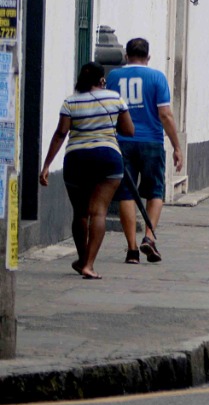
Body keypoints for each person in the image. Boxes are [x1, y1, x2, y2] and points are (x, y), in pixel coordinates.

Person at [39, 62, 135, 279]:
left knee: (80, 213)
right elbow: (129, 130)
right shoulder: (115, 98)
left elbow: (60, 134)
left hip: (77, 159)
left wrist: (46, 165)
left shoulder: (70, 102)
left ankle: (82, 258)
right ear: (102, 80)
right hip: (108, 158)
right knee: (98, 211)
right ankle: (89, 265)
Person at [107, 38, 185, 264]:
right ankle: (149, 238)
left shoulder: (113, 77)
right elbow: (165, 114)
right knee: (155, 191)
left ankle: (131, 249)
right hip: (151, 141)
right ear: (148, 57)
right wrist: (176, 146)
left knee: (126, 194)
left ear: (126, 56)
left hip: (122, 142)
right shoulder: (157, 77)